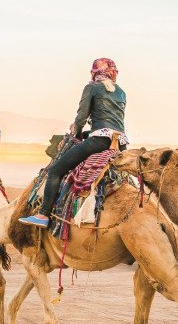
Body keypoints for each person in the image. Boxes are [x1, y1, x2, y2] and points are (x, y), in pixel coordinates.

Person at [20, 58, 127, 227]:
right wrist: (87, 134)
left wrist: (76, 132)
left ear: (94, 73)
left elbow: (81, 117)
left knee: (56, 170)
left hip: (99, 142)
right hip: (121, 144)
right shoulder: (121, 92)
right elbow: (110, 123)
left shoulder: (91, 87)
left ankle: (43, 215)